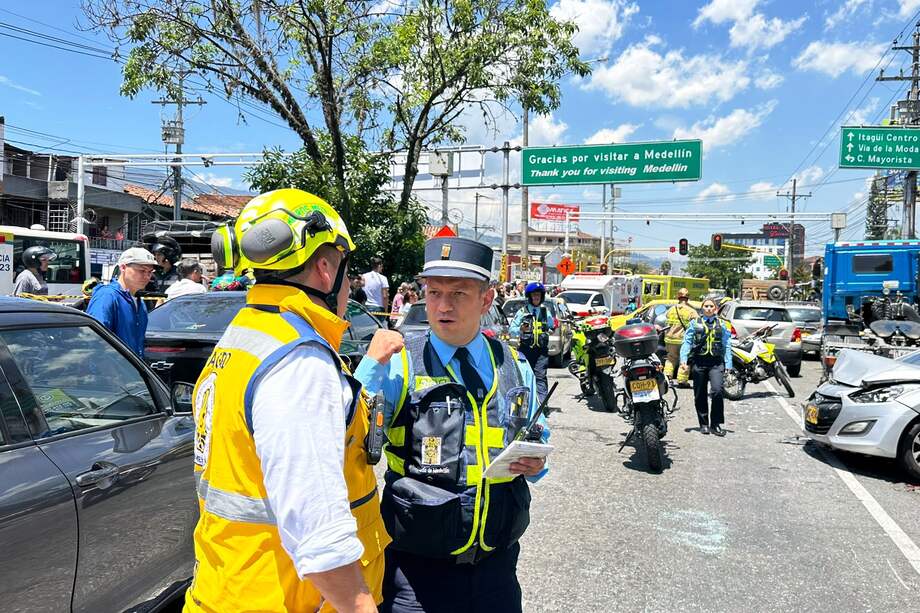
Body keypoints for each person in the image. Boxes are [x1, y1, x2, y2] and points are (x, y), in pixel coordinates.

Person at [184, 189, 388, 613]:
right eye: (348, 274)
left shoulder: (246, 336)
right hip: (291, 600)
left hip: (233, 588)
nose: (350, 287)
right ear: (326, 270)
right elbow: (317, 534)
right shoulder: (299, 363)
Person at [354, 236, 549, 613]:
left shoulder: (514, 364)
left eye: (459, 293)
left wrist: (537, 464)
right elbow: (349, 438)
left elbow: (537, 435)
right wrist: (368, 369)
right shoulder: (398, 362)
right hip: (415, 577)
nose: (443, 305)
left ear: (486, 300)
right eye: (434, 292)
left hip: (497, 570)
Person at [86, 248, 156, 357]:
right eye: (142, 271)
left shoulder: (140, 302)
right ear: (123, 267)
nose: (147, 276)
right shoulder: (107, 296)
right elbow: (95, 340)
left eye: (150, 272)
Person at [680, 297, 733, 437]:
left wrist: (729, 365)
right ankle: (703, 423)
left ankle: (716, 424)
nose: (709, 309)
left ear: (715, 309)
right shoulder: (694, 323)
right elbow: (687, 341)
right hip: (699, 362)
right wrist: (683, 360)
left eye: (711, 306)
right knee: (700, 394)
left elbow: (727, 344)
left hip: (716, 363)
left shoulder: (722, 324)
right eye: (706, 306)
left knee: (717, 391)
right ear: (702, 309)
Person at [509, 281, 557, 402]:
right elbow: (512, 329)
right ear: (529, 297)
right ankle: (525, 403)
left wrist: (550, 330)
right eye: (534, 295)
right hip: (525, 350)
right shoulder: (522, 312)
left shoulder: (546, 312)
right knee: (524, 376)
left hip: (541, 351)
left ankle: (542, 404)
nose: (536, 297)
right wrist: (520, 329)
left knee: (540, 377)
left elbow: (552, 326)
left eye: (538, 295)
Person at [663, 288, 698, 387]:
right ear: (688, 298)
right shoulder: (691, 311)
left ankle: (667, 378)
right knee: (684, 360)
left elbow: (667, 319)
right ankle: (682, 381)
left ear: (678, 297)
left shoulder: (671, 309)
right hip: (683, 340)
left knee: (670, 359)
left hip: (670, 339)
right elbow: (698, 324)